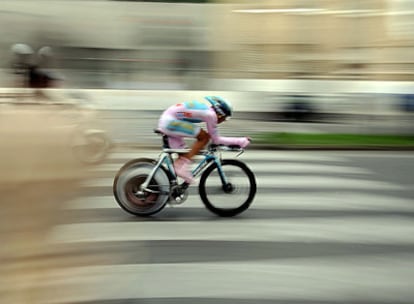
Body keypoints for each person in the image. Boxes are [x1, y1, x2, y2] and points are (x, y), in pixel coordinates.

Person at [158, 96, 251, 183]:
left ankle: (169, 187)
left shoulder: (208, 111)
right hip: (170, 122)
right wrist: (240, 141)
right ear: (221, 114)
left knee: (186, 154)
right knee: (204, 137)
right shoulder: (211, 115)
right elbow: (216, 140)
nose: (223, 121)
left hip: (168, 120)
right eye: (225, 118)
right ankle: (180, 167)